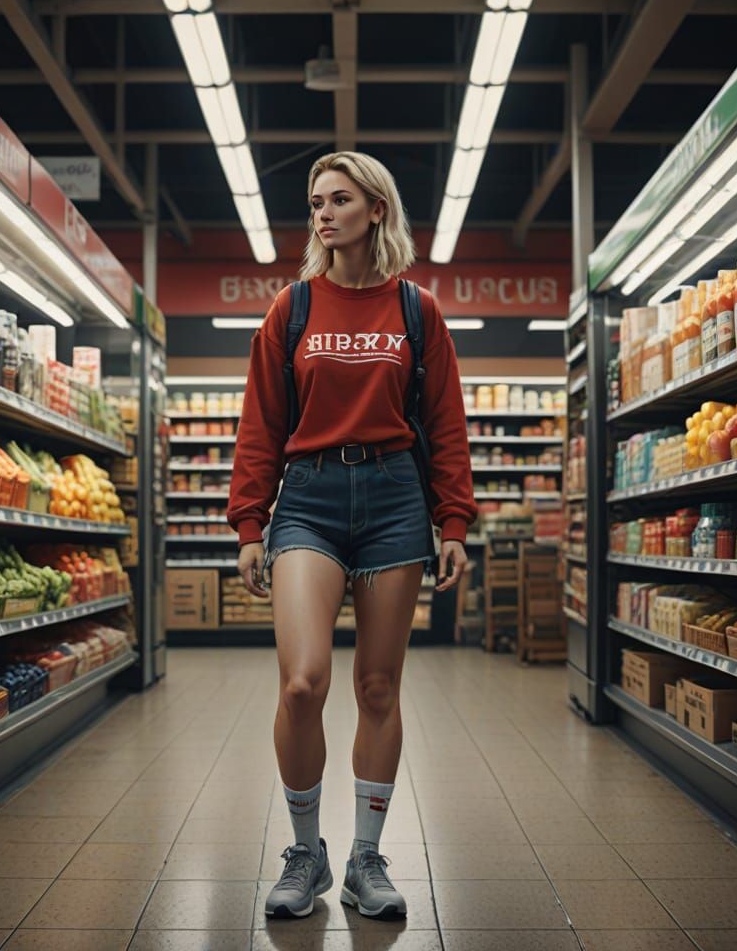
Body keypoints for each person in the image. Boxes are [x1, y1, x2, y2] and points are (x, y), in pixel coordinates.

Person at [227, 151, 477, 921]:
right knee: (303, 681)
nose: (322, 214)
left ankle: (368, 859)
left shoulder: (415, 311)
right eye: (315, 202)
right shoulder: (292, 308)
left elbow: (445, 423)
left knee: (378, 685)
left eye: (339, 200)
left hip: (398, 498)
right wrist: (248, 522)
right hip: (308, 499)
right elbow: (261, 423)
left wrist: (453, 519)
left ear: (376, 209)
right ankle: (307, 852)